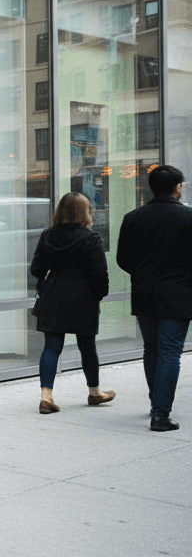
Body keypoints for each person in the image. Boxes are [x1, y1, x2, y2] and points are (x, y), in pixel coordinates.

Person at [116, 165, 192, 432]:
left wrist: (145, 273)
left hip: (145, 293)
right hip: (178, 295)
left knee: (152, 349)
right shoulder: (188, 217)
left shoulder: (133, 217)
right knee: (170, 351)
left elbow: (123, 259)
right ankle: (160, 414)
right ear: (178, 187)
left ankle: (156, 403)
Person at [31, 192, 113, 415]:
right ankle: (95, 392)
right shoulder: (91, 238)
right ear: (83, 212)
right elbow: (100, 274)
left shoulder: (47, 236)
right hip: (83, 298)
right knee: (87, 347)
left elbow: (36, 270)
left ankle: (46, 396)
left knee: (51, 347)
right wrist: (99, 295)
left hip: (53, 296)